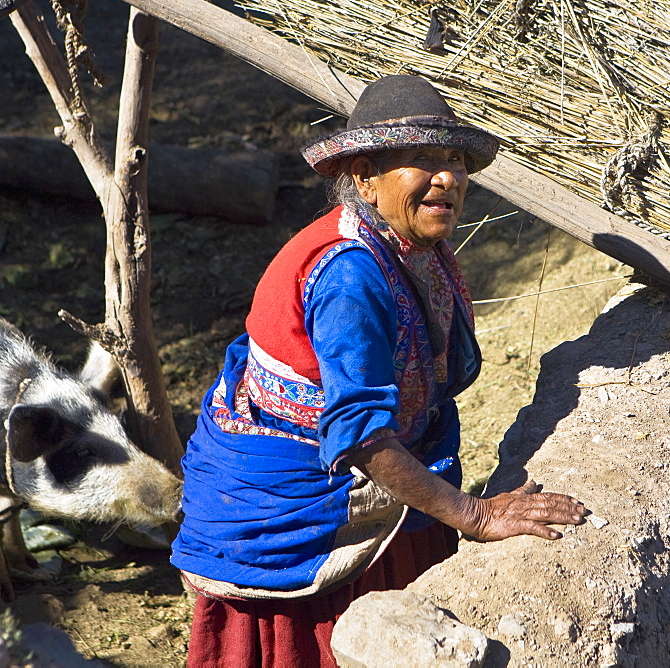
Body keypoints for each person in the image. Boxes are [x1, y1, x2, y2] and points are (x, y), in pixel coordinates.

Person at [171, 74, 588, 667]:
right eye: (421, 159)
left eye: (453, 160)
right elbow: (360, 435)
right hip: (303, 506)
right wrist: (477, 513)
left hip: (379, 471)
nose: (448, 177)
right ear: (366, 178)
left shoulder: (412, 248)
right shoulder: (351, 277)